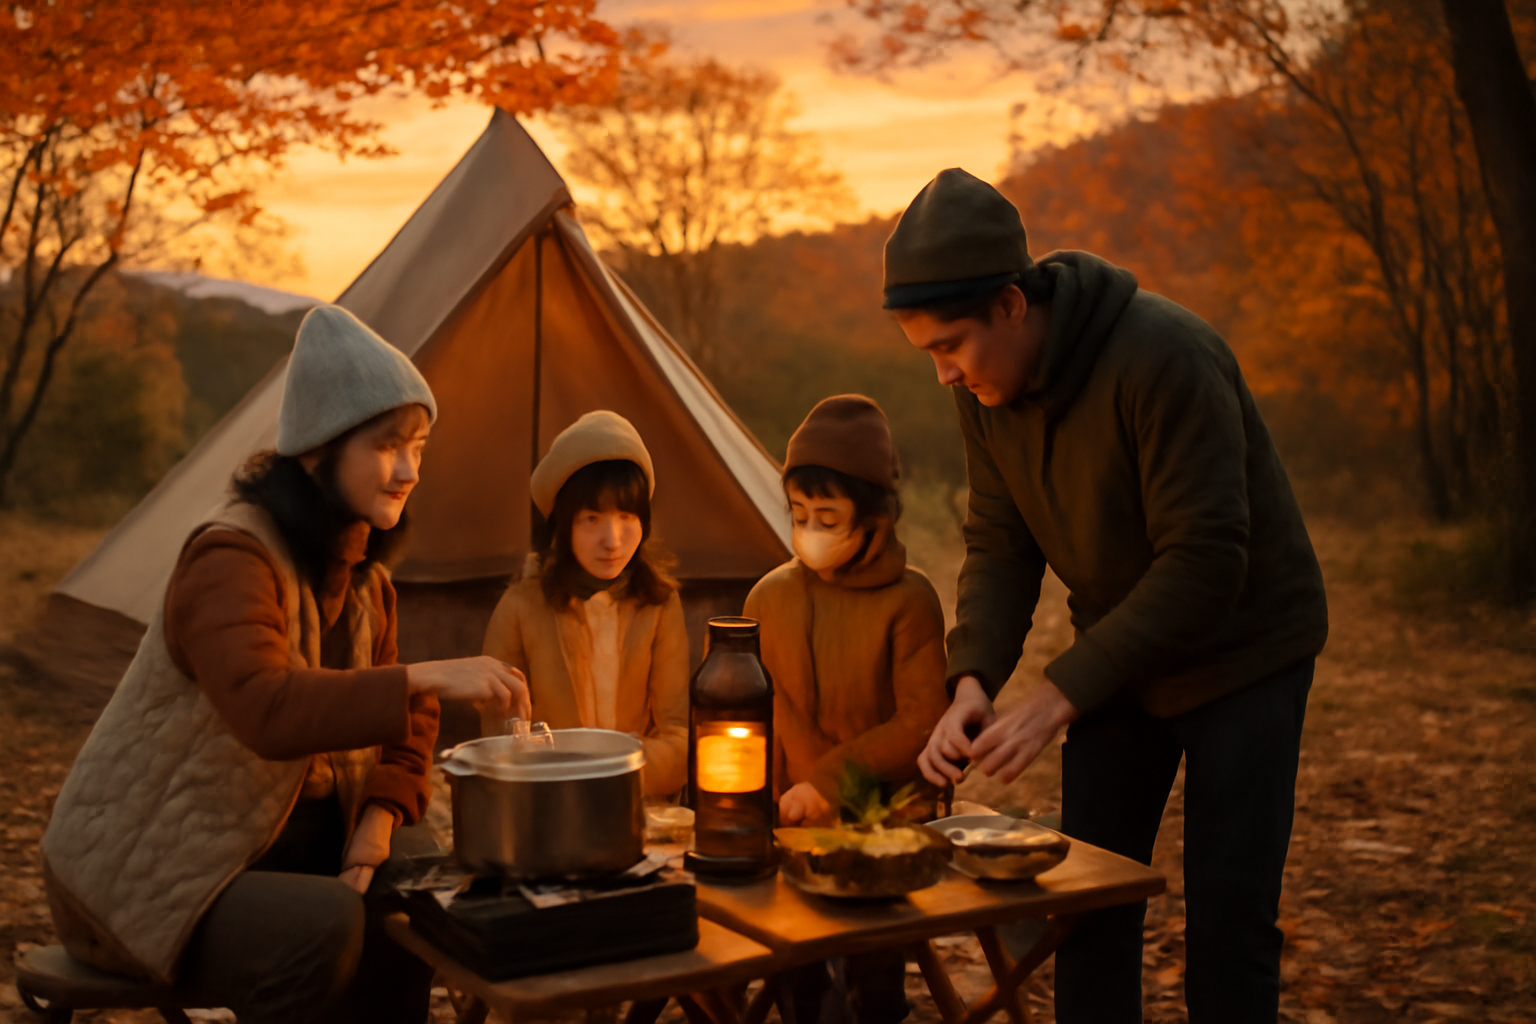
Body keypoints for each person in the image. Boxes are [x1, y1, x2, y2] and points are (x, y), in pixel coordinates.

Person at [886, 169, 1329, 1023]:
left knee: (1228, 928)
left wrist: (1058, 697)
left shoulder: (1167, 357)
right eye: (928, 354)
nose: (942, 374)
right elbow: (1000, 541)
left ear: (1012, 306)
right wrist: (972, 675)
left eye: (950, 346)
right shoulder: (986, 390)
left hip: (1246, 654)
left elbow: (1206, 561)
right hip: (1120, 660)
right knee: (1086, 907)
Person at [41, 305, 529, 1024]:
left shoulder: (365, 579)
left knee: (413, 889)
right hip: (151, 872)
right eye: (388, 446)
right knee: (328, 923)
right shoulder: (230, 556)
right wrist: (426, 674)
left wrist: (380, 816)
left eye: (419, 446)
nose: (408, 470)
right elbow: (265, 707)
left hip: (277, 843)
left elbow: (407, 718)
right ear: (316, 451)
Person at [744, 395, 950, 1024]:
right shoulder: (769, 596)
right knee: (796, 972)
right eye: (799, 514)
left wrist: (828, 784)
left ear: (873, 518)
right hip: (786, 818)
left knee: (873, 974)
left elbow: (920, 721)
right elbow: (754, 701)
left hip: (882, 825)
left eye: (827, 517)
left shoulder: (908, 602)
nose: (809, 531)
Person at [482, 410, 689, 799]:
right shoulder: (522, 607)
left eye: (626, 516)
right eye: (592, 518)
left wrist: (616, 776)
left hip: (637, 805)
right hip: (549, 803)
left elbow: (678, 734)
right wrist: (562, 777)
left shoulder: (659, 603)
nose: (612, 539)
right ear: (563, 525)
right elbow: (499, 734)